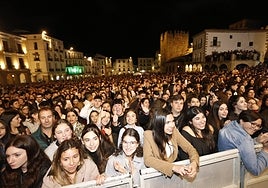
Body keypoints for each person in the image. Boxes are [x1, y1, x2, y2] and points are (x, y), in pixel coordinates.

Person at [143, 108, 199, 179]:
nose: (172, 125)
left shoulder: (174, 131)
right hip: (155, 177)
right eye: (168, 122)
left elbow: (190, 148)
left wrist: (194, 163)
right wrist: (173, 167)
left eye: (173, 121)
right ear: (159, 123)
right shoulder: (148, 135)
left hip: (173, 177)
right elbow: (148, 159)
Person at [218, 110, 268, 176]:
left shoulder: (230, 125)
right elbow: (256, 170)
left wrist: (256, 141)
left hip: (223, 171)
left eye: (258, 126)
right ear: (241, 121)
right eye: (253, 124)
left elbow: (240, 146)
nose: (255, 128)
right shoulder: (244, 139)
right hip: (235, 176)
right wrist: (265, 150)